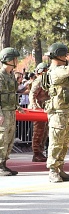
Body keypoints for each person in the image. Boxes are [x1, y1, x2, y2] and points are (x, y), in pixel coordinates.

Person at [45, 43, 69, 183]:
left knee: (65, 143)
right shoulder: (56, 71)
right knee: (56, 142)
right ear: (59, 55)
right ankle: (53, 170)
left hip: (66, 111)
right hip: (58, 113)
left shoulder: (61, 69)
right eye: (65, 54)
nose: (67, 56)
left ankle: (60, 168)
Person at [0, 47, 24, 176]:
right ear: (8, 60)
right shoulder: (1, 75)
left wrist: (17, 106)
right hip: (3, 112)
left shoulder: (11, 76)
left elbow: (12, 93)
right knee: (2, 138)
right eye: (15, 58)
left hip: (10, 111)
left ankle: (3, 163)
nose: (16, 61)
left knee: (9, 138)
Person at [29, 62, 50, 163]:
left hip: (45, 109)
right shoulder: (39, 80)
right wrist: (35, 107)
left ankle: (40, 152)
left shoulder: (47, 80)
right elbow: (32, 94)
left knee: (44, 132)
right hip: (39, 109)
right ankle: (36, 153)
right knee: (38, 132)